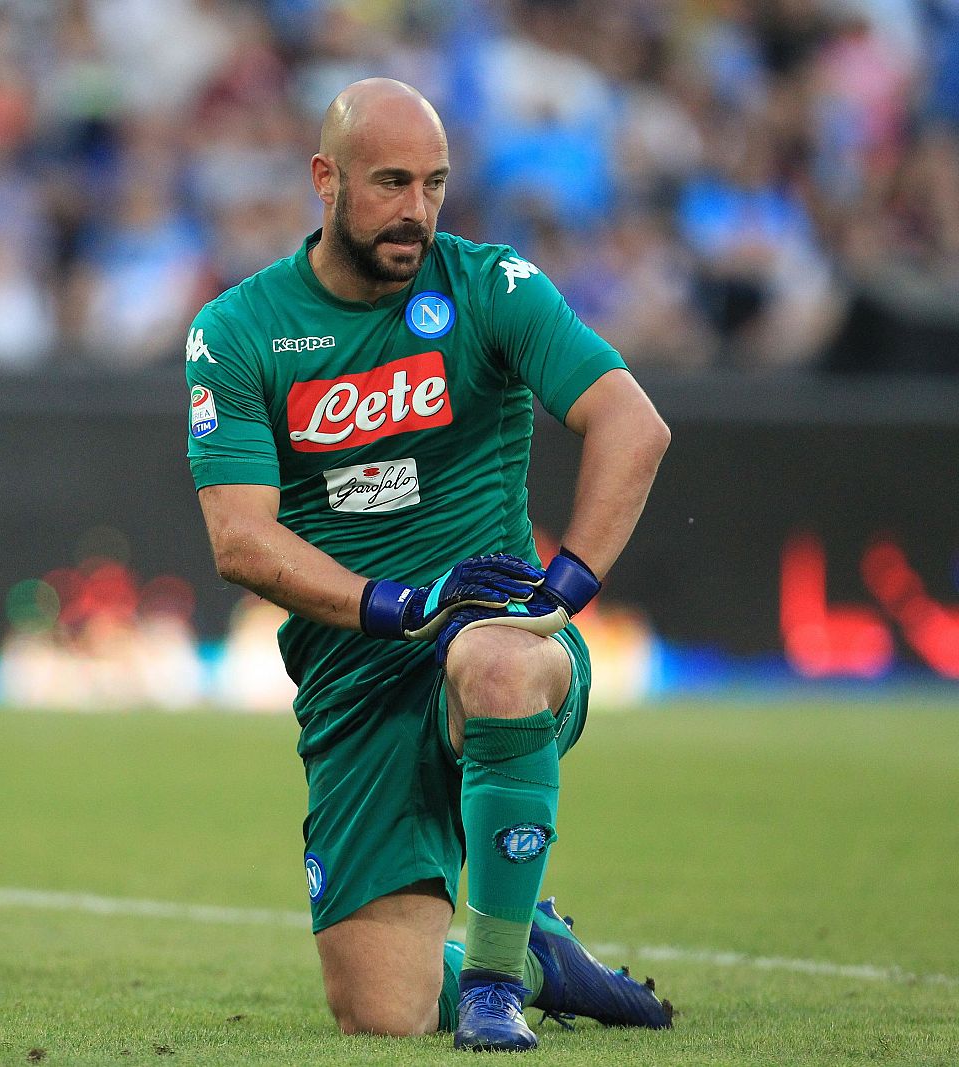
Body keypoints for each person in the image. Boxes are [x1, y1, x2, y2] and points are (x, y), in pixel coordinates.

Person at [183, 78, 674, 1052]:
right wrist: (398, 603)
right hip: (354, 678)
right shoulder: (237, 331)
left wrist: (559, 591)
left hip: (496, 643)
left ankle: (493, 988)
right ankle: (535, 954)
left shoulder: (490, 285)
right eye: (390, 182)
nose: (415, 209)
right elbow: (240, 539)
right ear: (325, 179)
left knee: (494, 661)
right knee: (380, 1010)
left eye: (434, 184)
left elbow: (632, 423)